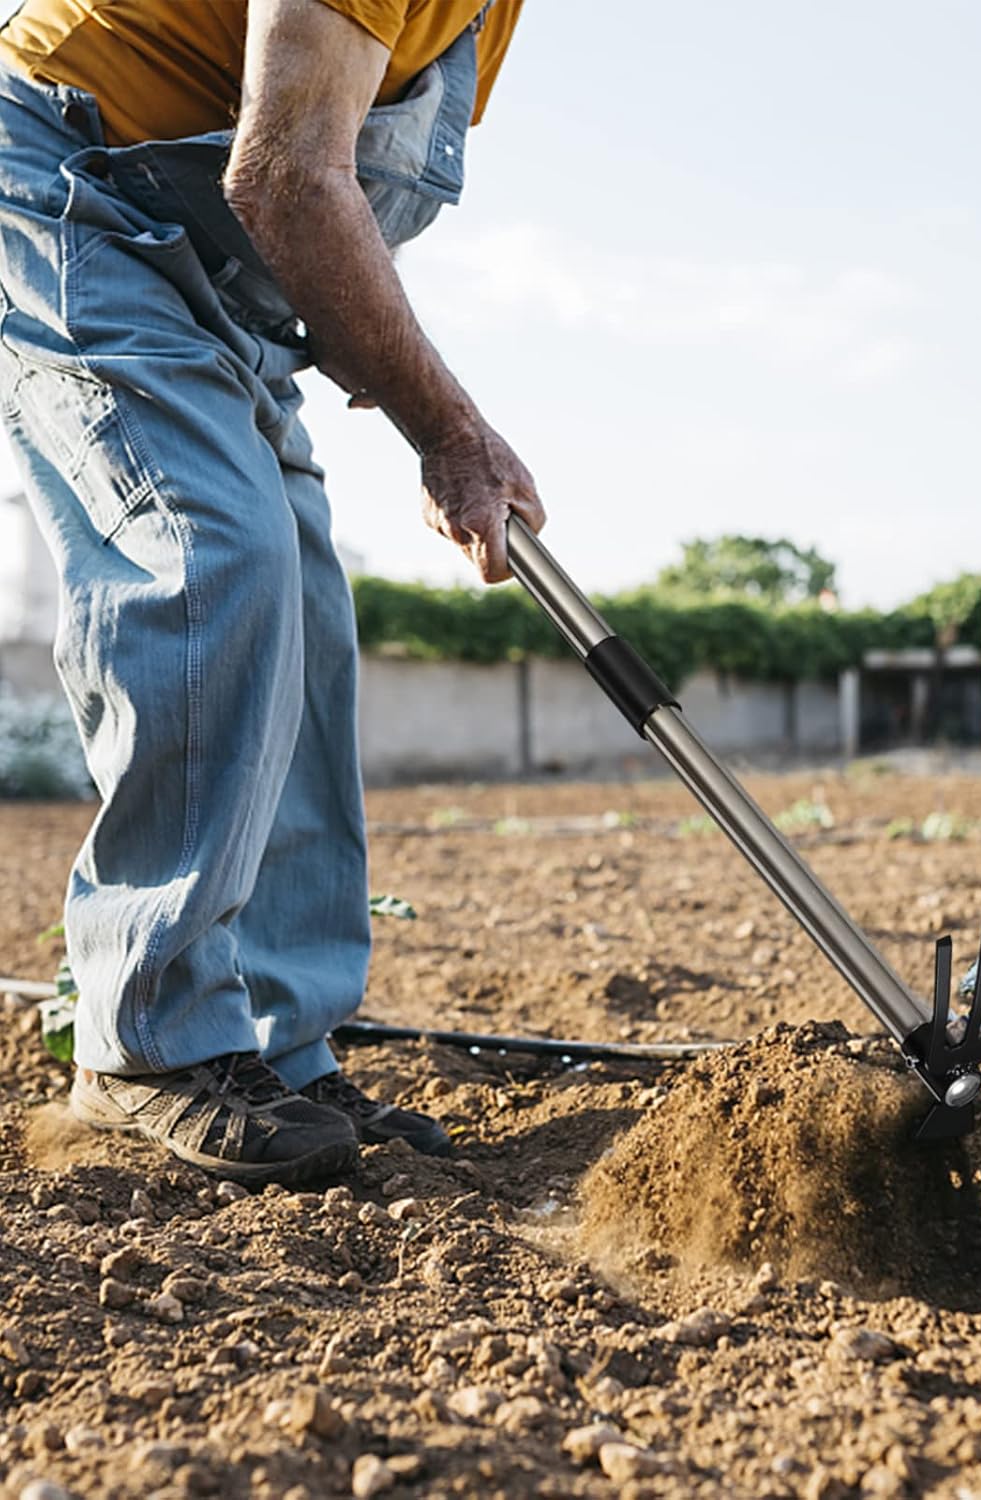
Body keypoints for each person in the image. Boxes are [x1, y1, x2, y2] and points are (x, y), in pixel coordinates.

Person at [0, 0, 547, 1184]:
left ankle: (274, 1047)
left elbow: (335, 189)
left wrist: (403, 376)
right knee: (211, 554)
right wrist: (448, 428)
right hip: (70, 179)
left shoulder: (491, 17)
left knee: (300, 603)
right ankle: (148, 1041)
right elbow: (290, 178)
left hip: (226, 267)